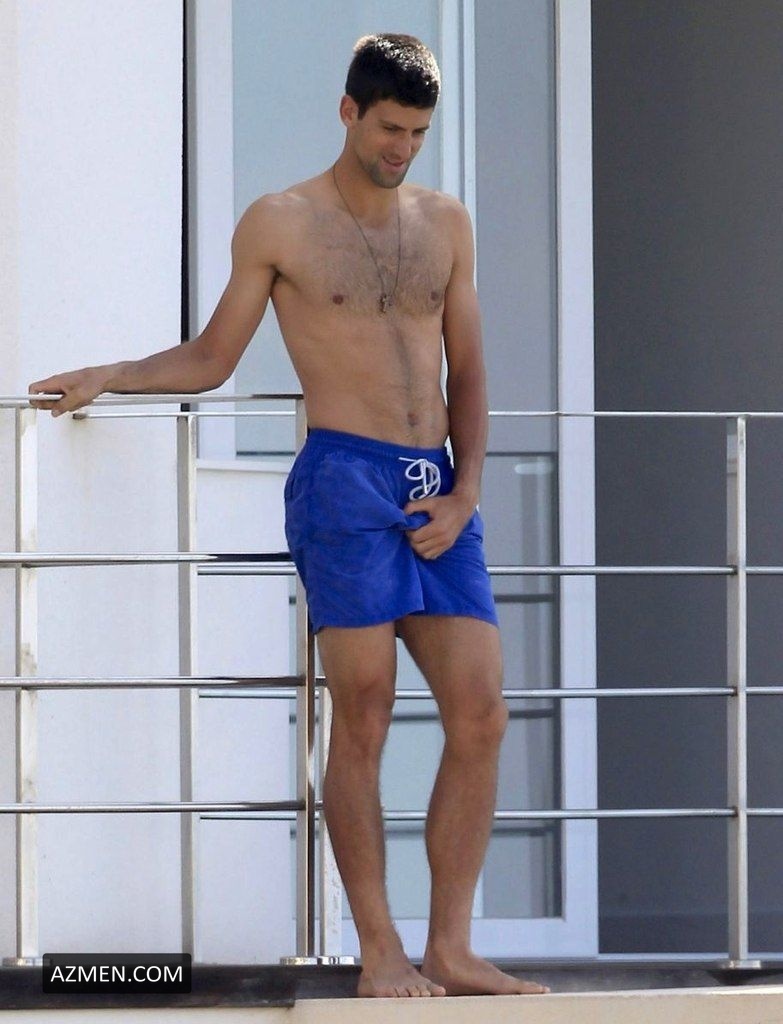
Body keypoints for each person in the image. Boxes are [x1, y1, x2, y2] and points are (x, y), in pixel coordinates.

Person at [29, 33, 549, 1000]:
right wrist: (113, 374)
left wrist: (467, 489)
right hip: (342, 479)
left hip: (435, 484)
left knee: (480, 713)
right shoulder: (281, 221)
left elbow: (470, 368)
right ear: (348, 112)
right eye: (388, 128)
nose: (402, 149)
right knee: (364, 709)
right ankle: (380, 952)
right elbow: (210, 357)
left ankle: (450, 946)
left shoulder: (446, 223)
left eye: (417, 133)